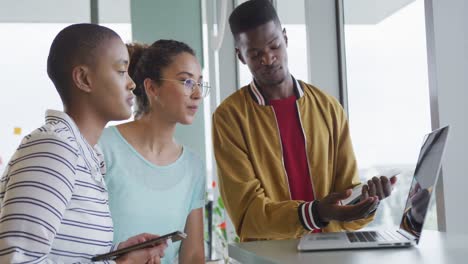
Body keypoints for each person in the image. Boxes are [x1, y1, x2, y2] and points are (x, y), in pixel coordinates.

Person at [212, 0, 397, 241]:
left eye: (274, 46)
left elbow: (347, 195)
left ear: (286, 39)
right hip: (271, 259)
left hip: (331, 255)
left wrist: (367, 200)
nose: (268, 59)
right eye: (255, 54)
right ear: (240, 56)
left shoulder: (329, 108)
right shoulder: (229, 118)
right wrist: (314, 213)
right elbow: (247, 216)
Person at [0, 24, 166, 263]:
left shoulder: (86, 155)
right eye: (121, 71)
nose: (131, 83)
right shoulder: (54, 149)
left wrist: (116, 257)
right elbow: (18, 260)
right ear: (84, 79)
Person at [98, 40, 207, 264]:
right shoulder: (102, 147)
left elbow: (193, 256)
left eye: (200, 83)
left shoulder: (193, 167)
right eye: (186, 81)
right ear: (152, 88)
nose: (197, 93)